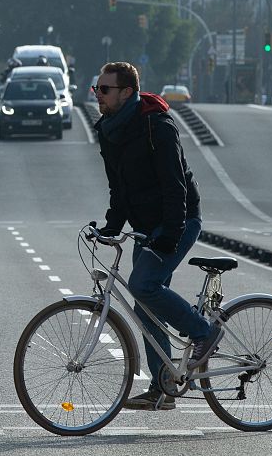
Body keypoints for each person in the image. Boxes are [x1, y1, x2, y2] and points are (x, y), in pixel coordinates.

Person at [92, 61, 222, 411]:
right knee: (144, 300)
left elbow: (174, 185)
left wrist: (172, 233)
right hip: (146, 226)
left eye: (104, 89)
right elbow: (118, 187)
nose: (98, 96)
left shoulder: (157, 124)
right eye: (96, 89)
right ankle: (164, 387)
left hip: (178, 218)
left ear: (126, 92)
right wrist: (110, 227)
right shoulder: (107, 129)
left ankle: (203, 332)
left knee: (145, 286)